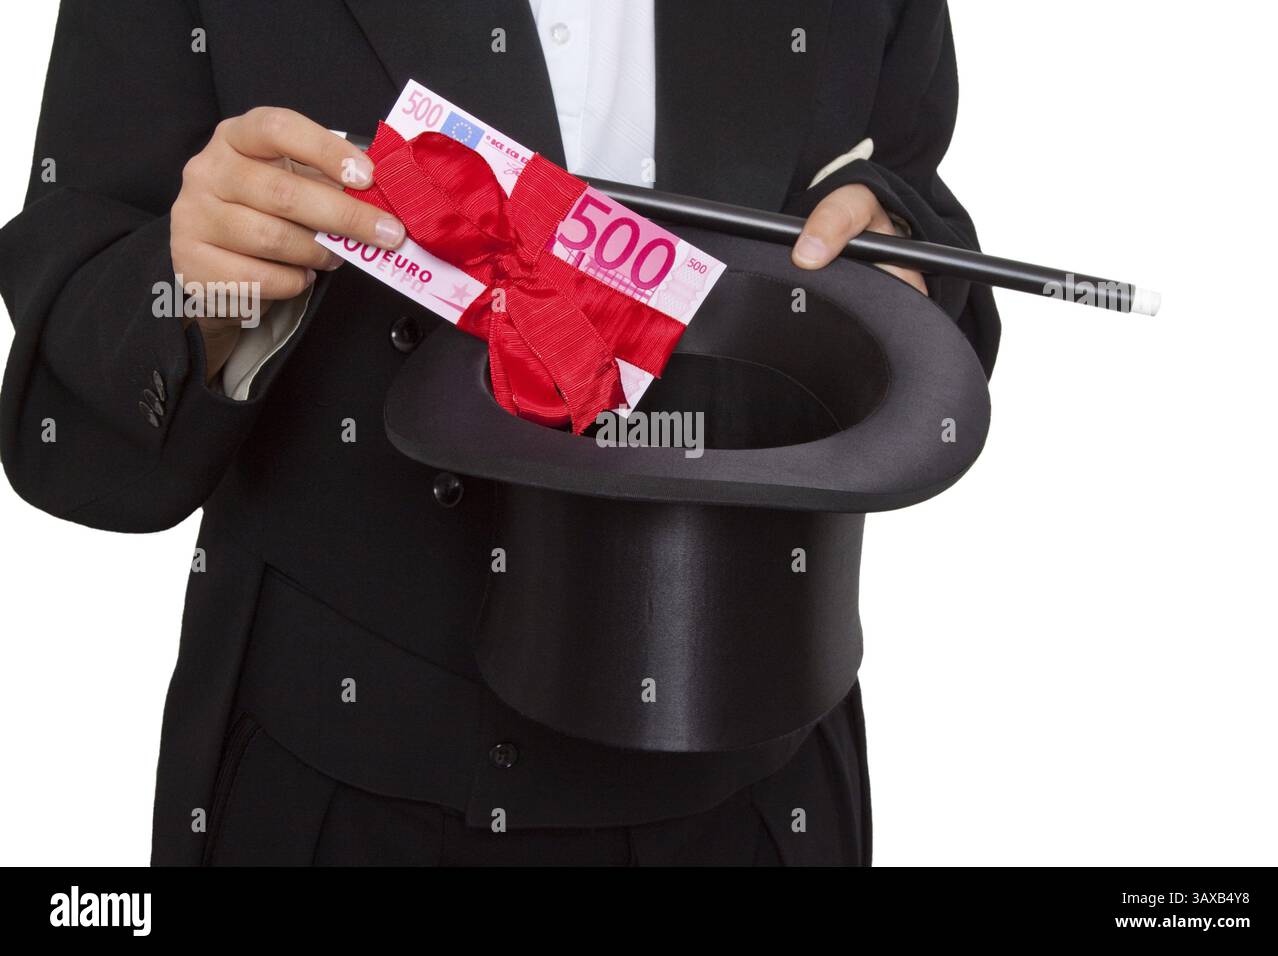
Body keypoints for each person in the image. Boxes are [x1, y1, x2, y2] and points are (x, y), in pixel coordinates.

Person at [0, 0, 998, 865]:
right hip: (343, 782)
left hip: (757, 775)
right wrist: (207, 289)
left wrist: (900, 266)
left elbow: (911, 199)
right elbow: (77, 371)